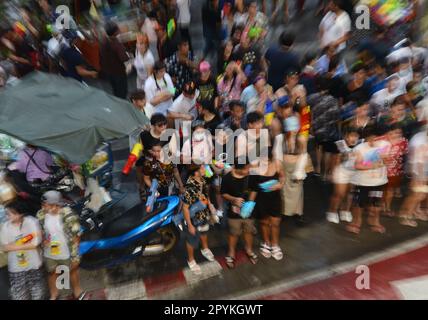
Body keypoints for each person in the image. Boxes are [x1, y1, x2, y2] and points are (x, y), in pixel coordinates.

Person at [37, 191, 85, 300]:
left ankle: (78, 292)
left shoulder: (68, 215)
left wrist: (75, 254)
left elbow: (76, 235)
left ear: (56, 205)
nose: (43, 207)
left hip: (67, 250)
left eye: (46, 205)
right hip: (50, 251)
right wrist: (43, 240)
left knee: (72, 271)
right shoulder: (41, 214)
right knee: (52, 272)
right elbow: (41, 231)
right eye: (43, 204)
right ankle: (54, 294)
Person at [347, 127, 390, 234]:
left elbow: (386, 160)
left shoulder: (385, 145)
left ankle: (374, 221)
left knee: (376, 203)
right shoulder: (359, 148)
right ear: (366, 138)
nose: (374, 141)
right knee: (359, 203)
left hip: (379, 182)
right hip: (362, 183)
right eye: (371, 138)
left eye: (377, 138)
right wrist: (373, 165)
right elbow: (357, 165)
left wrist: (384, 158)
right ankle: (357, 222)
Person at [0, 201, 45, 300]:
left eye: (10, 214)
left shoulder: (31, 221)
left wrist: (14, 245)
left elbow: (35, 243)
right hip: (16, 266)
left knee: (37, 291)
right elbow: (4, 247)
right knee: (19, 294)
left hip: (34, 263)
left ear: (20, 213)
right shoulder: (6, 227)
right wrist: (25, 242)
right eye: (6, 214)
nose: (7, 216)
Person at [248, 148, 285, 260]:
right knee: (264, 222)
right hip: (261, 199)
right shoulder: (254, 167)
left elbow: (282, 176)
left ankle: (275, 244)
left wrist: (280, 184)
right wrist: (250, 203)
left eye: (266, 161)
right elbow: (253, 188)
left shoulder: (277, 164)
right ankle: (266, 242)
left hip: (275, 198)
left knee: (275, 223)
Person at [221, 159, 258, 268]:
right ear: (238, 169)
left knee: (249, 230)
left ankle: (249, 249)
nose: (248, 170)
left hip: (248, 211)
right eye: (246, 168)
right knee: (234, 233)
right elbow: (223, 193)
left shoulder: (251, 176)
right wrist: (233, 199)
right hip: (233, 212)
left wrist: (250, 204)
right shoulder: (227, 178)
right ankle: (231, 253)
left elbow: (254, 190)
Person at [182, 163, 217, 274]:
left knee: (204, 231)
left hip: (204, 214)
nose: (205, 169)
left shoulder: (203, 180)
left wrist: (210, 206)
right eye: (202, 168)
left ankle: (205, 248)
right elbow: (185, 208)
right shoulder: (190, 187)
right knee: (191, 239)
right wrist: (190, 225)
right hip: (193, 218)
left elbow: (206, 195)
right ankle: (191, 260)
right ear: (196, 172)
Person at [326, 127, 360, 224]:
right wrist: (331, 173)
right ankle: (332, 212)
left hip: (354, 172)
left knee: (350, 193)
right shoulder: (339, 145)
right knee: (339, 194)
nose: (354, 138)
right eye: (351, 136)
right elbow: (333, 160)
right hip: (340, 171)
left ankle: (345, 211)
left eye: (356, 136)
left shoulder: (360, 144)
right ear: (346, 136)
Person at [308, 76, 340, 178]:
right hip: (329, 131)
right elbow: (336, 116)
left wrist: (310, 126)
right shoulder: (333, 100)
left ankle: (317, 170)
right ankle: (325, 174)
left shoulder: (311, 98)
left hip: (316, 129)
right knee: (327, 150)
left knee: (318, 147)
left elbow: (306, 112)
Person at [381, 125, 408, 217]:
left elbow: (404, 154)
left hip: (395, 171)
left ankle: (387, 208)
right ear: (388, 132)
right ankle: (381, 207)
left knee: (390, 190)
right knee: (382, 190)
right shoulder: (381, 141)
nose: (396, 135)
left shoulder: (403, 141)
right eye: (393, 132)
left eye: (399, 132)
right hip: (381, 171)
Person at [100, 21, 129, 99]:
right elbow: (124, 58)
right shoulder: (116, 44)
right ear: (115, 32)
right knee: (122, 92)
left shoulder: (104, 40)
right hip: (119, 72)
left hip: (109, 72)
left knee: (115, 90)